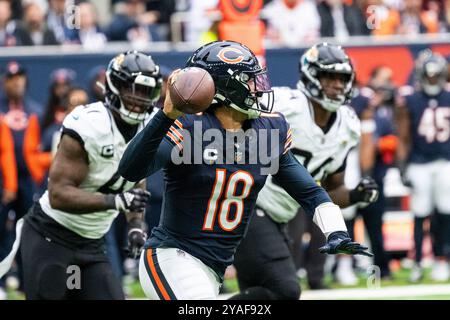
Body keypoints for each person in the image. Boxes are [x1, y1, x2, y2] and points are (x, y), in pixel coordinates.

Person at [118, 40, 372, 300]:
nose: (257, 88)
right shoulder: (189, 126)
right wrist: (165, 115)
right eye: (249, 80)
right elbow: (130, 170)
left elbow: (309, 191)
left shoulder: (268, 130)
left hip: (213, 266)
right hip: (173, 255)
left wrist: (336, 230)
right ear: (226, 86)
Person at [0, 51, 163, 299]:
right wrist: (115, 201)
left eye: (145, 91)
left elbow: (135, 183)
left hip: (92, 242)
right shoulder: (90, 124)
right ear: (114, 86)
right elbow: (58, 194)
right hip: (51, 236)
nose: (139, 99)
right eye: (133, 89)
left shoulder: (148, 127)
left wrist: (135, 224)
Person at [231, 43, 379, 298]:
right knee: (286, 290)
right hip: (248, 203)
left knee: (261, 292)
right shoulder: (285, 104)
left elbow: (331, 189)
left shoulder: (348, 126)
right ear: (311, 75)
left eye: (342, 78)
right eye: (329, 76)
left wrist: (355, 196)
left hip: (280, 217)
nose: (337, 84)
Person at [396, 50, 450, 282]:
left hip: (446, 161)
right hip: (419, 162)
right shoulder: (410, 99)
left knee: (445, 214)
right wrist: (402, 166)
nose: (431, 80)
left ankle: (442, 259)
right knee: (420, 214)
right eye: (428, 76)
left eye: (435, 76)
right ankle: (417, 261)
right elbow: (404, 135)